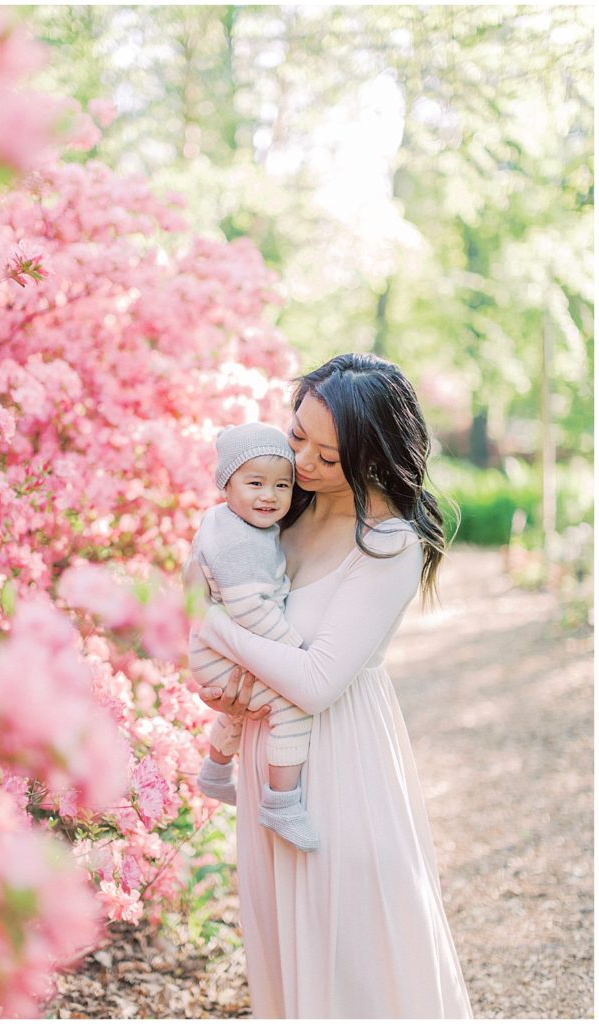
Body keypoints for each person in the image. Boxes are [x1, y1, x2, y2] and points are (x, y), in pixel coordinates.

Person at [186, 353, 473, 1019]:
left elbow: (315, 683)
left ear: (373, 453)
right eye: (297, 437)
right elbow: (203, 589)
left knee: (354, 958)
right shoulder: (276, 509)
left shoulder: (389, 543)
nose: (305, 463)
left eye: (330, 453)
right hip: (266, 758)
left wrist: (215, 627)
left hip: (341, 762)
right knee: (286, 952)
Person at [191, 422, 319, 851]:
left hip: (213, 646)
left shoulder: (229, 521)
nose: (270, 495)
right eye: (255, 483)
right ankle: (281, 803)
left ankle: (214, 771)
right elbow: (249, 608)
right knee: (291, 707)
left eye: (282, 485)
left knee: (243, 708)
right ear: (227, 484)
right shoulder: (240, 540)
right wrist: (295, 651)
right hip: (219, 648)